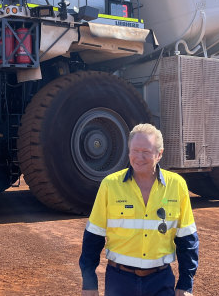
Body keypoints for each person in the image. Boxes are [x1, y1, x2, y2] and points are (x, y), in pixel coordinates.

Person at [79, 123, 199, 296]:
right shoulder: (110, 185)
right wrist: (89, 283)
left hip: (160, 281)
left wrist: (186, 283)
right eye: (135, 151)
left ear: (159, 154)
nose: (139, 157)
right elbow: (93, 237)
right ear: (128, 152)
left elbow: (187, 238)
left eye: (146, 152)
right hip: (120, 282)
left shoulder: (177, 185)